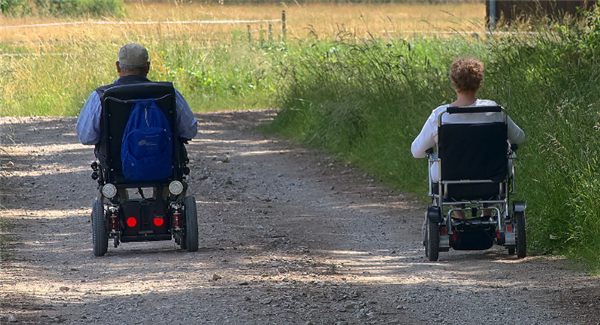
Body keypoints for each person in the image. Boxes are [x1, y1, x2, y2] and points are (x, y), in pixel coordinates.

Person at [411, 57, 525, 218]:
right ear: (479, 82)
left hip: (451, 179)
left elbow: (417, 152)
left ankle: (459, 216)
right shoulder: (496, 112)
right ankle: (487, 213)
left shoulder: (441, 115)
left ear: (453, 81)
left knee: (438, 165)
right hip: (492, 178)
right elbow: (519, 138)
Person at [76, 43, 198, 159]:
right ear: (148, 67)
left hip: (116, 170)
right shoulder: (169, 93)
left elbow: (86, 137)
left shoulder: (101, 96)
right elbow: (189, 131)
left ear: (118, 66)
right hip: (165, 168)